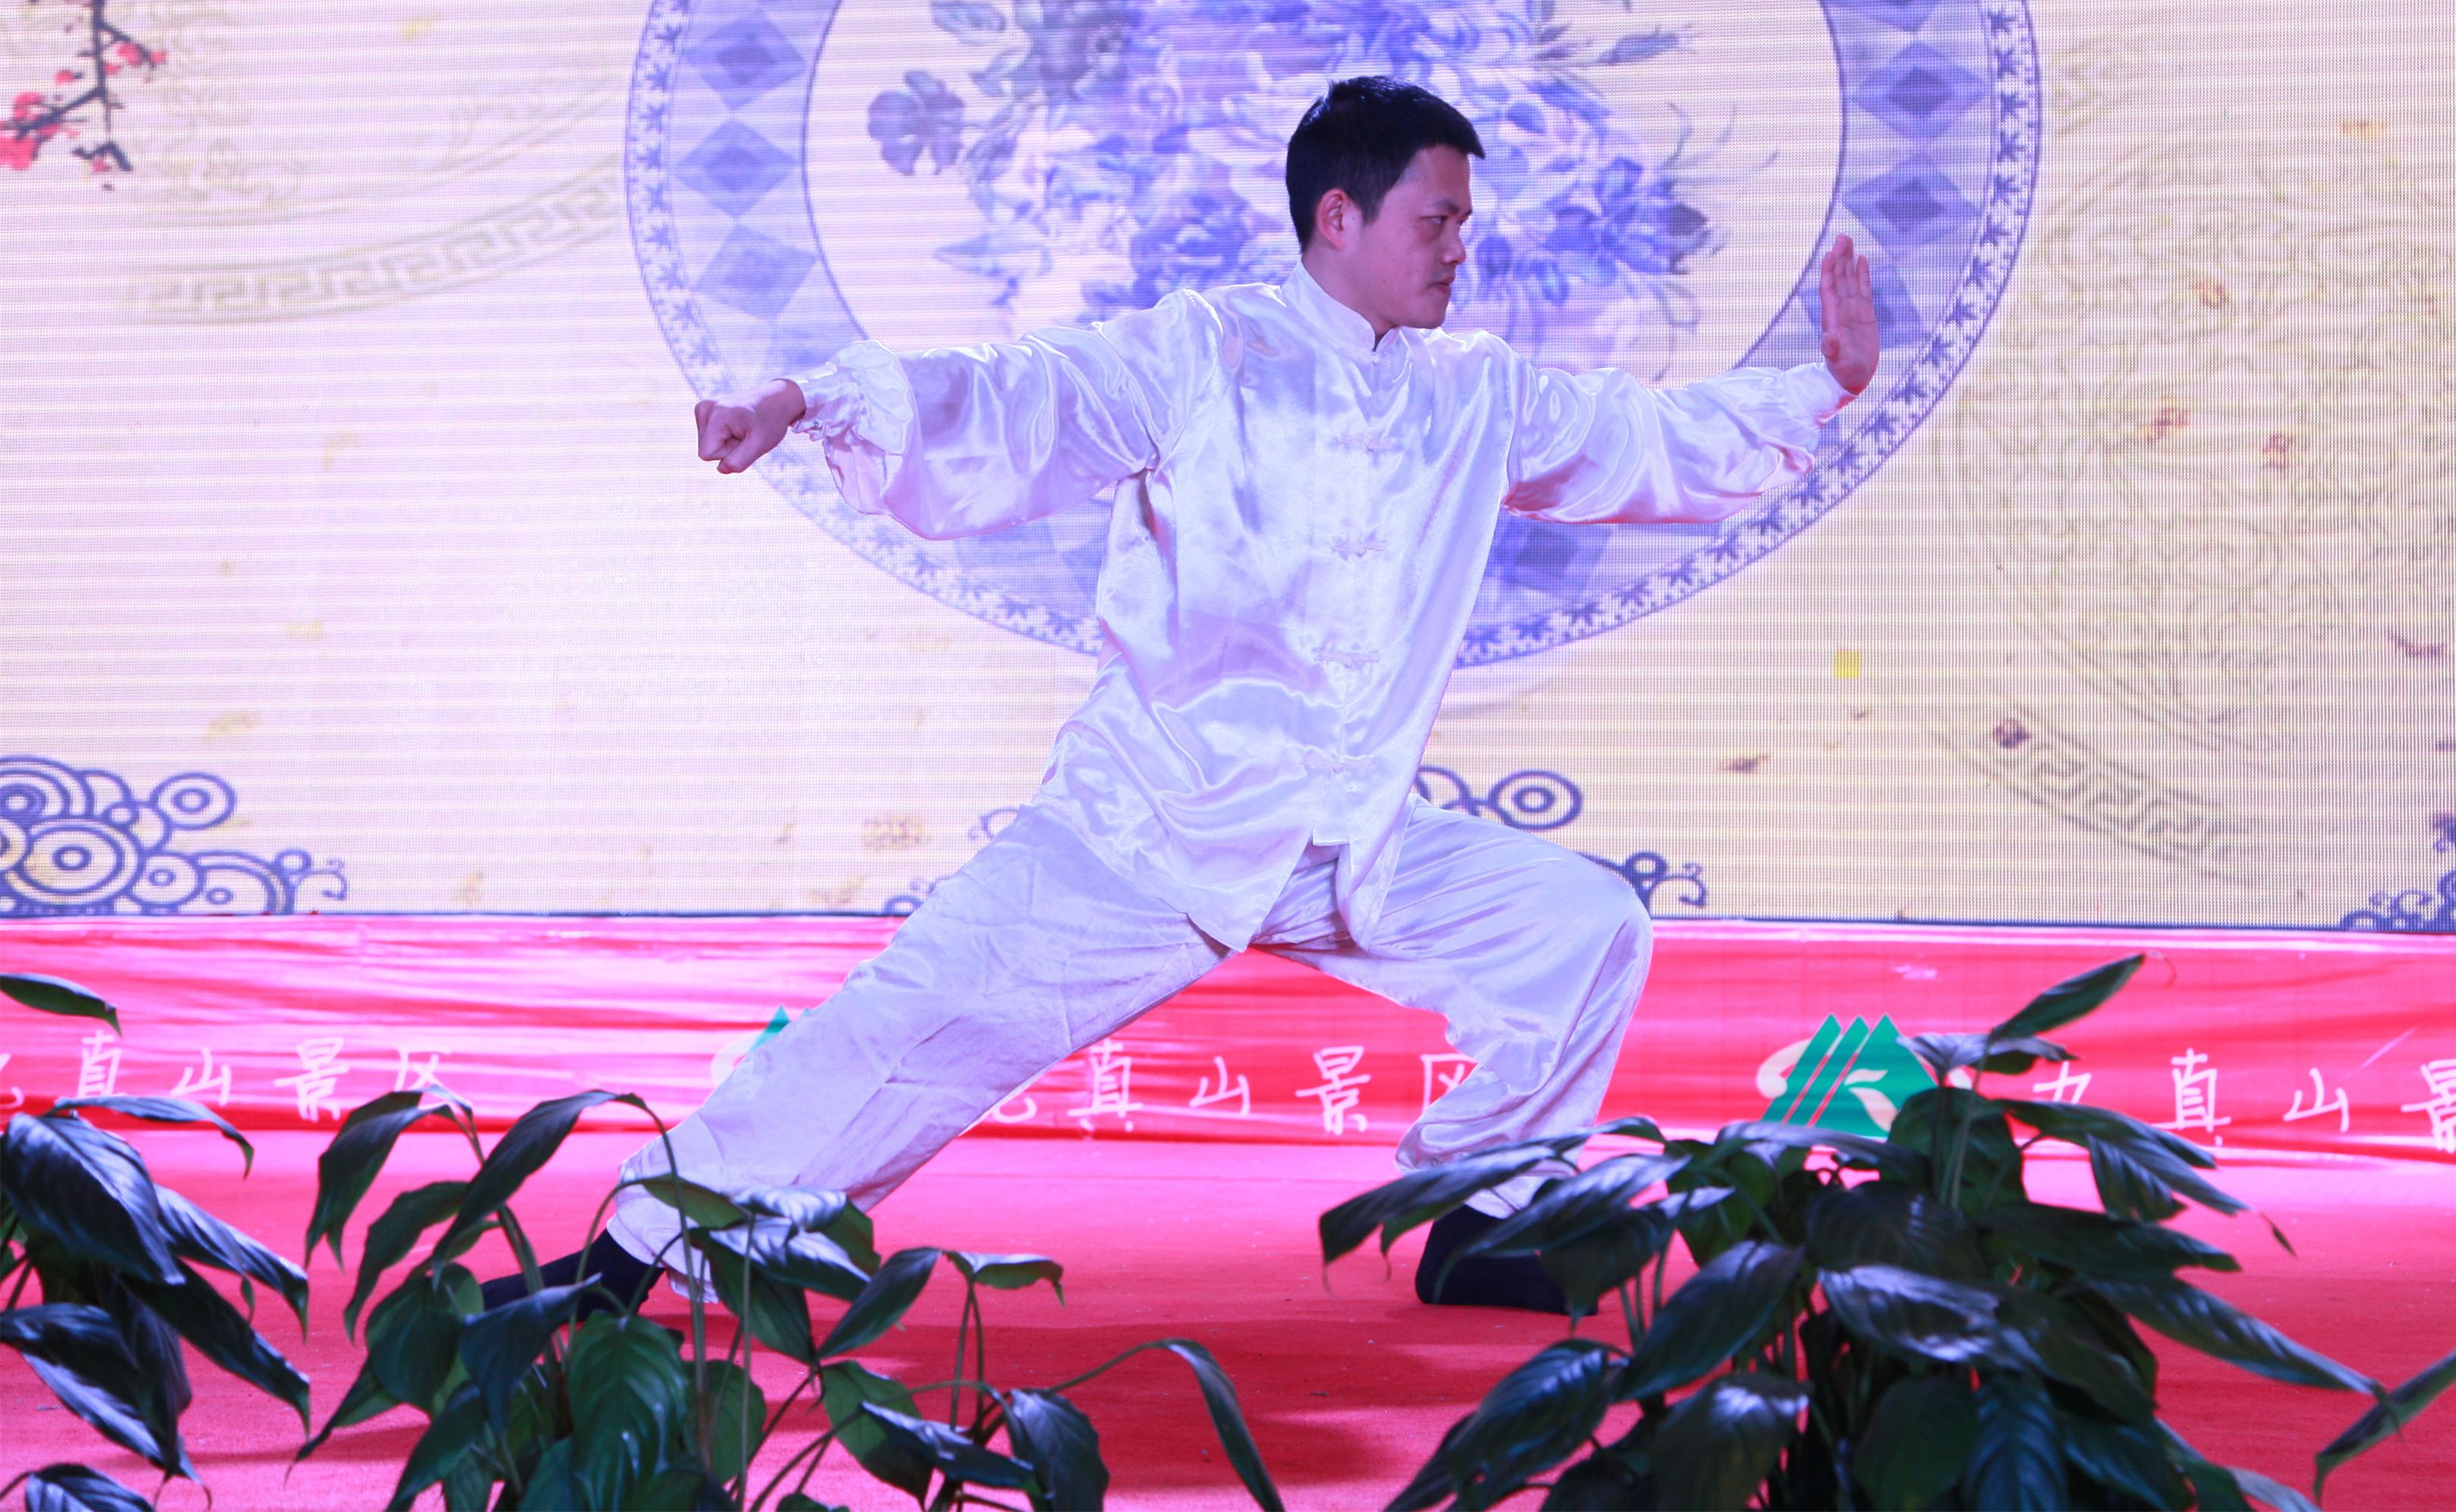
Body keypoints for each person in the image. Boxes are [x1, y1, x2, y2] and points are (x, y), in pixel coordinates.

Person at [515, 75, 1878, 1315]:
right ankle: (637, 1247)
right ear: (1338, 217)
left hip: (1352, 839)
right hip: (1156, 822)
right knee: (916, 1022)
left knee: (1579, 929)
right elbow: (1018, 395)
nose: (1460, 247)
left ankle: (1487, 1210)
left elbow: (1642, 437)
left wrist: (1823, 384)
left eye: (1465, 221)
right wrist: (806, 401)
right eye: (1437, 219)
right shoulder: (1203, 354)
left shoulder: (1474, 394)